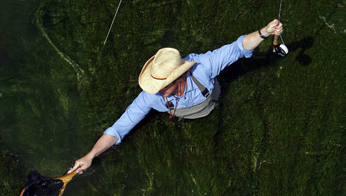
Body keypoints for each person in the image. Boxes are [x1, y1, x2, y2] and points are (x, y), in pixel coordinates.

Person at [69, 19, 283, 174]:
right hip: (190, 116)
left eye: (162, 86)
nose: (157, 91)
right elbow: (119, 127)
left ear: (179, 77)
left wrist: (264, 32)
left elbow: (237, 48)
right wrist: (90, 155)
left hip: (213, 99)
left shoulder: (203, 67)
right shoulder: (151, 96)